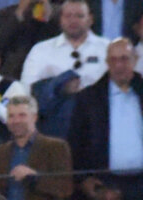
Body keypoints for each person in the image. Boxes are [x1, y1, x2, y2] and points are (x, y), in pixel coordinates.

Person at [67, 38, 143, 200]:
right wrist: (83, 179)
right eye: (113, 60)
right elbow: (75, 142)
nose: (119, 65)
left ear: (135, 60)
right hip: (106, 186)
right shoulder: (88, 98)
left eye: (124, 59)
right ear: (107, 62)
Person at [20, 0, 110, 138]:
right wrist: (58, 87)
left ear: (90, 19)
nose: (73, 20)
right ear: (60, 19)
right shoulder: (41, 50)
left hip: (98, 127)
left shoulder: (107, 48)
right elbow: (26, 93)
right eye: (68, 16)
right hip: (53, 130)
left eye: (79, 16)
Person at [0, 94, 72, 200]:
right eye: (11, 116)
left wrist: (35, 177)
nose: (16, 121)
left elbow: (66, 188)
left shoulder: (56, 147)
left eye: (22, 115)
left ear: (34, 117)